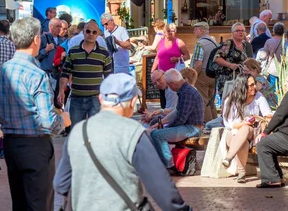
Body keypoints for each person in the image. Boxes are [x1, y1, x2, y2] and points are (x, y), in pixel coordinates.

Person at [54, 73, 192, 211]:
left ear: (101, 99)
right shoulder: (133, 133)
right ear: (132, 102)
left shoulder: (79, 131)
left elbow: (61, 183)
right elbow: (160, 187)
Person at [0, 17, 64, 211]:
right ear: (36, 40)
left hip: (11, 144)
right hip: (35, 144)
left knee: (21, 203)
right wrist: (63, 120)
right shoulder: (36, 74)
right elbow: (48, 121)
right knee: (38, 203)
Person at [150, 69, 204, 174]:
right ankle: (167, 163)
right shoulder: (184, 90)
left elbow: (181, 118)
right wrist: (162, 123)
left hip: (193, 128)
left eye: (169, 85)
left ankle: (169, 166)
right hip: (189, 126)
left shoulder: (187, 93)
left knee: (158, 135)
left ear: (172, 84)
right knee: (157, 131)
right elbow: (177, 112)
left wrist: (167, 127)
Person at [60, 20, 113, 126]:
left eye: (94, 32)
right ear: (83, 32)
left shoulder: (104, 53)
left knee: (94, 131)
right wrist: (61, 90)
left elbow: (109, 76)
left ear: (98, 34)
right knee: (76, 131)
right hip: (77, 98)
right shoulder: (73, 51)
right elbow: (65, 72)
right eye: (88, 31)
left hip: (95, 99)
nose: (91, 34)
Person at [221, 75, 273, 183]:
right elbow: (228, 123)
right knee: (242, 138)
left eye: (254, 84)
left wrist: (257, 120)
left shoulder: (258, 97)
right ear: (242, 87)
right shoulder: (230, 99)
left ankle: (229, 158)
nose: (254, 87)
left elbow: (268, 115)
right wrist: (241, 124)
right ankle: (241, 173)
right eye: (251, 85)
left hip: (253, 132)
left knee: (245, 129)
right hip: (234, 133)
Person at [152, 23, 190, 108]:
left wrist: (177, 58)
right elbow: (157, 58)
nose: (171, 33)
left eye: (173, 31)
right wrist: (152, 71)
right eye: (169, 31)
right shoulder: (161, 42)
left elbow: (187, 56)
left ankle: (170, 117)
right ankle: (162, 117)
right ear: (164, 32)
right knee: (163, 98)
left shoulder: (179, 42)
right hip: (161, 75)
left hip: (173, 76)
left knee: (173, 100)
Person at [213, 22, 253, 98]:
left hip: (241, 80)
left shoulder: (245, 45)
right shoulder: (229, 44)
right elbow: (217, 58)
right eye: (238, 30)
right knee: (228, 103)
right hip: (227, 80)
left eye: (243, 30)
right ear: (233, 33)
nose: (241, 32)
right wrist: (230, 65)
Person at [191, 21, 218, 122]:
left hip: (202, 74)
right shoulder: (214, 42)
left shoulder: (200, 43)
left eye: (196, 29)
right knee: (211, 101)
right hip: (213, 74)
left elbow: (198, 63)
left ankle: (208, 125)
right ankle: (215, 123)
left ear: (201, 30)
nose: (194, 32)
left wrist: (193, 76)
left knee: (203, 100)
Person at [37, 18, 66, 84]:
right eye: (57, 26)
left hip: (57, 73)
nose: (59, 29)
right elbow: (36, 56)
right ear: (51, 26)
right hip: (45, 73)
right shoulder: (43, 38)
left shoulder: (62, 40)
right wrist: (46, 50)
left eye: (60, 27)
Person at [261, 22, 285, 94]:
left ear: (273, 31)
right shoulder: (286, 41)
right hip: (284, 69)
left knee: (273, 90)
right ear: (284, 31)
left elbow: (263, 55)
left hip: (272, 69)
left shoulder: (269, 41)